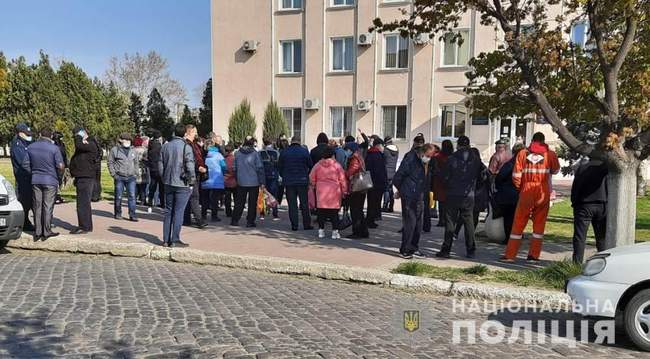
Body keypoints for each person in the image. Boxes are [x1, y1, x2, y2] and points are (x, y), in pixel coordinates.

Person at [502, 132, 560, 262]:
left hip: (526, 191)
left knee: (518, 223)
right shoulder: (550, 154)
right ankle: (534, 255)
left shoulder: (522, 153)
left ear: (532, 140)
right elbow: (555, 170)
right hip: (542, 191)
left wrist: (521, 189)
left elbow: (516, 176)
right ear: (544, 141)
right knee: (539, 226)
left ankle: (510, 255)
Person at [437, 136, 487, 259]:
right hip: (468, 195)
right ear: (469, 145)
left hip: (453, 194)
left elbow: (444, 177)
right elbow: (483, 176)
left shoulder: (451, 159)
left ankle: (446, 249)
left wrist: (448, 186)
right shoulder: (475, 160)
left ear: (458, 145)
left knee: (450, 222)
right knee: (469, 222)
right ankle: (471, 250)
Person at [21, 128, 64, 241]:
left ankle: (38, 231)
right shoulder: (54, 149)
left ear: (40, 135)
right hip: (50, 180)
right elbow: (60, 166)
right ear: (50, 136)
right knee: (48, 206)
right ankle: (46, 231)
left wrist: (34, 172)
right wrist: (58, 176)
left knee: (37, 206)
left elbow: (25, 164)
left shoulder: (31, 147)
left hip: (36, 180)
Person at [394, 143, 436, 259]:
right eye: (428, 155)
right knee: (410, 223)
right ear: (422, 153)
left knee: (418, 224)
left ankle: (414, 247)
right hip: (409, 196)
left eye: (431, 156)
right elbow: (398, 177)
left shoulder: (425, 163)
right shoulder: (410, 160)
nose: (429, 158)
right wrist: (402, 191)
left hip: (420, 196)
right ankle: (405, 249)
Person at [159, 123, 195, 247]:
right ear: (185, 133)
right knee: (179, 212)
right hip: (182, 183)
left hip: (168, 181)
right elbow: (190, 166)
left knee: (168, 211)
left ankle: (165, 239)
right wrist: (192, 180)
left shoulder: (165, 146)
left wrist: (163, 177)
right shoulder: (186, 147)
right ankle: (175, 239)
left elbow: (160, 164)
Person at [571, 157, 609, 263]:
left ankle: (577, 264)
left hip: (584, 205)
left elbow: (576, 187)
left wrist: (575, 203)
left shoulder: (582, 168)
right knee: (601, 237)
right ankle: (603, 262)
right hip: (602, 204)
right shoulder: (605, 168)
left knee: (579, 237)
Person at [309, 147, 348, 239]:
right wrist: (344, 191)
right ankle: (335, 232)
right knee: (334, 213)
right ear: (333, 155)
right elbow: (342, 179)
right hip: (334, 191)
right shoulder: (337, 165)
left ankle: (321, 231)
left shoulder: (318, 165)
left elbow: (311, 177)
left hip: (321, 191)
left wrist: (314, 185)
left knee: (321, 212)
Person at [69, 126, 100, 234]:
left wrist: (78, 137)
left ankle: (85, 226)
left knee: (83, 204)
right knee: (82, 203)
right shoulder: (86, 144)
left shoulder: (90, 143)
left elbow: (78, 145)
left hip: (86, 178)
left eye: (76, 134)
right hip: (82, 177)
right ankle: (85, 225)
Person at [278, 136, 314, 231]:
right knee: (304, 204)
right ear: (299, 141)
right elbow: (310, 165)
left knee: (292, 204)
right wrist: (306, 175)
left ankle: (294, 225)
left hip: (289, 181)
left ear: (291, 142)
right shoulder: (304, 151)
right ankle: (306, 224)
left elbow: (279, 167)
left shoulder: (284, 152)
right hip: (302, 180)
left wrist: (284, 175)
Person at [494, 143, 526, 244]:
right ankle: (517, 236)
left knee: (508, 217)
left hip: (508, 195)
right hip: (521, 194)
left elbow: (499, 178)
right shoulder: (526, 164)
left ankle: (509, 238)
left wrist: (499, 188)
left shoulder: (510, 164)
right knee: (518, 217)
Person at [231, 136, 265, 227]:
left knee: (239, 202)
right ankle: (250, 221)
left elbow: (234, 168)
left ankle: (235, 219)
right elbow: (260, 168)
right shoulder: (255, 153)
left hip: (241, 181)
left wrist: (237, 178)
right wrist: (262, 182)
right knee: (252, 202)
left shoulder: (237, 153)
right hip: (254, 181)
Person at [108, 133, 138, 222]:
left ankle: (132, 215)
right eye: (126, 139)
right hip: (119, 177)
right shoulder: (114, 150)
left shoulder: (133, 150)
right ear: (120, 140)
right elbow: (110, 162)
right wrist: (114, 174)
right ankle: (118, 213)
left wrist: (135, 173)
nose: (128, 141)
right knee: (118, 196)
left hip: (131, 177)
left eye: (129, 140)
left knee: (132, 196)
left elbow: (136, 163)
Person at [10, 123, 35, 232]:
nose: (29, 136)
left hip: (30, 177)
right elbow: (23, 162)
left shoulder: (29, 142)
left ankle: (26, 222)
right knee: (24, 202)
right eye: (26, 134)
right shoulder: (17, 144)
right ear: (20, 133)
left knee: (31, 201)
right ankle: (23, 223)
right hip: (23, 178)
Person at [183, 125, 208, 229]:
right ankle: (199, 220)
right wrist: (199, 167)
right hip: (191, 173)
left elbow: (199, 156)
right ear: (189, 132)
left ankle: (186, 219)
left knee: (190, 197)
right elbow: (190, 160)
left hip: (195, 172)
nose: (196, 134)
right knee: (194, 197)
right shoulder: (187, 144)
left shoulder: (194, 144)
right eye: (194, 132)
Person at [345, 141, 369, 239]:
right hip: (361, 188)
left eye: (347, 149)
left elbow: (351, 171)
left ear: (351, 150)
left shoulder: (354, 158)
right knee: (359, 210)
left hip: (356, 188)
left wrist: (345, 173)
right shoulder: (359, 156)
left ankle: (357, 232)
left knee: (355, 210)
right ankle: (363, 231)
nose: (346, 151)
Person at [365, 138, 387, 228]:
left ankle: (370, 220)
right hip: (378, 182)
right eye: (383, 146)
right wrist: (383, 182)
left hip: (370, 181)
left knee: (371, 202)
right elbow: (380, 171)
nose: (383, 148)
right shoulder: (378, 155)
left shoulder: (369, 154)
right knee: (375, 202)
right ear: (378, 145)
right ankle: (371, 221)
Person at [202, 144, 227, 222]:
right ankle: (214, 216)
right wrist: (223, 173)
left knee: (205, 199)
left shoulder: (205, 155)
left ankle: (203, 215)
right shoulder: (219, 155)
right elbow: (223, 166)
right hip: (217, 180)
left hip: (206, 179)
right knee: (215, 199)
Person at [433, 140, 453, 227]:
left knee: (441, 202)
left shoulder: (438, 157)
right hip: (450, 181)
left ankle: (441, 220)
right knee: (449, 202)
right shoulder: (453, 157)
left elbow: (434, 168)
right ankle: (448, 219)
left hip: (439, 181)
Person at [259, 139, 280, 220]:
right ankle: (275, 214)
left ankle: (262, 213)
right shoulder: (276, 152)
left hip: (263, 176)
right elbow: (278, 164)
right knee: (274, 195)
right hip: (273, 175)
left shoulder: (260, 153)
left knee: (263, 194)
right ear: (271, 143)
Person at [147, 130, 164, 209]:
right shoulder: (160, 146)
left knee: (152, 185)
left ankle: (150, 201)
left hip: (152, 167)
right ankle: (162, 202)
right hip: (159, 167)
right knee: (161, 186)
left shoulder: (150, 144)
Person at [382, 136, 399, 213]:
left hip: (386, 172)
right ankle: (391, 206)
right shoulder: (396, 149)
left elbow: (383, 160)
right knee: (390, 189)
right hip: (393, 172)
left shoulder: (385, 150)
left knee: (386, 189)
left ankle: (385, 206)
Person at [52, 131, 68, 204]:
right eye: (61, 138)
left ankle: (57, 195)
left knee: (59, 181)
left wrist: (66, 165)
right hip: (55, 166)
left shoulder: (62, 145)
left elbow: (64, 155)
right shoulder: (53, 145)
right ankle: (54, 196)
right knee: (55, 182)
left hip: (62, 166)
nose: (62, 140)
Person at [133, 136, 150, 206]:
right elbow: (147, 160)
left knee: (135, 186)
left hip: (135, 169)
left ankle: (134, 199)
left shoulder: (132, 150)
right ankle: (143, 200)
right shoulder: (145, 150)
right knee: (143, 186)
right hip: (143, 169)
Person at [223, 144, 237, 217]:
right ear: (233, 150)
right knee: (236, 198)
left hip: (226, 181)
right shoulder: (235, 159)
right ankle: (235, 211)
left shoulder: (224, 159)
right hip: (234, 181)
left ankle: (228, 212)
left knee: (227, 198)